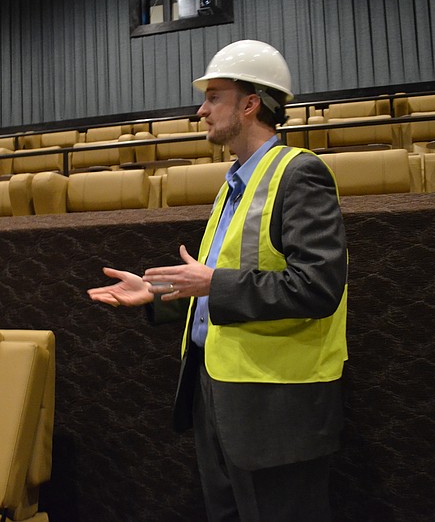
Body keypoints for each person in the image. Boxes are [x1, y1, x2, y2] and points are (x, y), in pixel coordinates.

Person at [87, 40, 348, 522]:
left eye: (214, 97)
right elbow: (214, 284)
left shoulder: (299, 174)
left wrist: (212, 284)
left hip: (275, 407)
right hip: (218, 395)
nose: (201, 110)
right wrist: (159, 292)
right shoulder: (232, 183)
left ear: (250, 104)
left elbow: (317, 287)